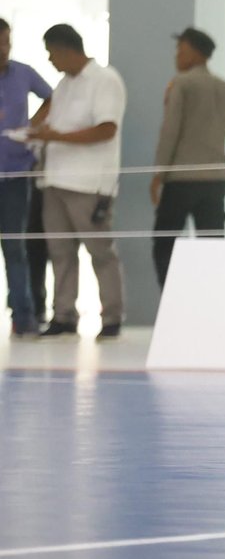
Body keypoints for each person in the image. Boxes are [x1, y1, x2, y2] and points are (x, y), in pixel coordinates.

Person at [31, 24, 127, 341]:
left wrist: (57, 137)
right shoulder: (63, 85)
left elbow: (106, 129)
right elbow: (51, 124)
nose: (50, 60)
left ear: (65, 49)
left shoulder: (105, 80)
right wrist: (36, 134)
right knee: (60, 252)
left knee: (100, 251)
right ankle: (63, 315)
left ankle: (111, 316)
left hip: (88, 184)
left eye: (51, 53)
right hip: (54, 180)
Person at [150, 28, 225, 290]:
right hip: (215, 181)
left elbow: (170, 131)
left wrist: (160, 173)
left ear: (195, 53)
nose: (177, 56)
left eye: (180, 50)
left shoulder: (181, 84)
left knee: (165, 243)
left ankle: (171, 297)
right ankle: (210, 298)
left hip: (180, 180)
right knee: (212, 247)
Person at [0, 18, 52, 339]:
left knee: (15, 247)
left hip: (17, 174)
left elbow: (52, 97)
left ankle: (24, 316)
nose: (3, 49)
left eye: (7, 42)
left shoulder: (23, 73)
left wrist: (32, 125)